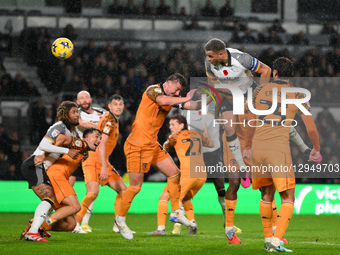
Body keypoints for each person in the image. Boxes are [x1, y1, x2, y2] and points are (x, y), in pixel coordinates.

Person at [243, 57, 321, 252]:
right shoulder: (297, 94)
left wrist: (247, 146)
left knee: (266, 195)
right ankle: (276, 241)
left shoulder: (259, 90)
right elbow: (310, 127)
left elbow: (250, 121)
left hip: (258, 149)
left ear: (275, 72)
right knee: (288, 198)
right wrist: (316, 148)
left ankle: (268, 238)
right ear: (291, 74)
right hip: (278, 149)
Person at [115, 73, 204, 240]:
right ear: (168, 83)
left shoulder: (172, 98)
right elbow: (164, 101)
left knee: (174, 174)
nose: (177, 94)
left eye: (180, 92)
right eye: (177, 90)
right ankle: (120, 220)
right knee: (135, 187)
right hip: (137, 145)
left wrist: (207, 102)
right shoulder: (153, 90)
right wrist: (184, 98)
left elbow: (190, 105)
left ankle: (176, 212)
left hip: (152, 145)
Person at [20, 101, 94, 241]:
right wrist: (67, 151)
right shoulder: (59, 127)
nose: (77, 114)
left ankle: (38, 227)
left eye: (77, 112)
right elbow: (44, 144)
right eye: (73, 112)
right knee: (49, 199)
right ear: (65, 114)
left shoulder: (74, 132)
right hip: (35, 164)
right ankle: (33, 231)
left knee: (70, 224)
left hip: (45, 169)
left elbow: (79, 147)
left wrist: (84, 154)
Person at [148, 115, 214, 235]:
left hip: (187, 174)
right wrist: (206, 132)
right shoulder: (197, 134)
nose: (170, 127)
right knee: (186, 198)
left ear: (182, 125)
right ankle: (192, 223)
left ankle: (161, 229)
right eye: (169, 125)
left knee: (163, 197)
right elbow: (211, 144)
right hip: (201, 175)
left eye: (173, 124)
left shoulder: (174, 137)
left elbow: (164, 148)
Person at [35, 128, 101, 241]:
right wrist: (44, 155)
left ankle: (34, 226)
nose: (99, 140)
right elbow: (61, 138)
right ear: (86, 138)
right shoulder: (80, 143)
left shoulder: (83, 150)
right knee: (75, 206)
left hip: (58, 178)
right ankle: (38, 227)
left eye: (100, 138)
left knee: (70, 224)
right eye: (96, 137)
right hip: (56, 176)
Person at [75, 95, 127, 233]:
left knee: (123, 190)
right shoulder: (109, 121)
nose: (118, 106)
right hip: (93, 158)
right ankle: (76, 223)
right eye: (115, 104)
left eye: (120, 104)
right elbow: (101, 144)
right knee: (92, 193)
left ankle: (118, 225)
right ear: (109, 107)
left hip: (102, 159)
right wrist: (104, 167)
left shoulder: (114, 120)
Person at [70, 90, 106, 232]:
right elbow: (84, 124)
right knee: (66, 186)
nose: (84, 100)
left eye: (86, 97)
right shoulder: (76, 113)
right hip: (77, 153)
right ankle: (56, 214)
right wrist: (100, 127)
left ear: (90, 99)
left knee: (92, 191)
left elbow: (111, 122)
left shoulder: (101, 111)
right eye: (81, 99)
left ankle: (84, 222)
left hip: (93, 155)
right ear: (78, 102)